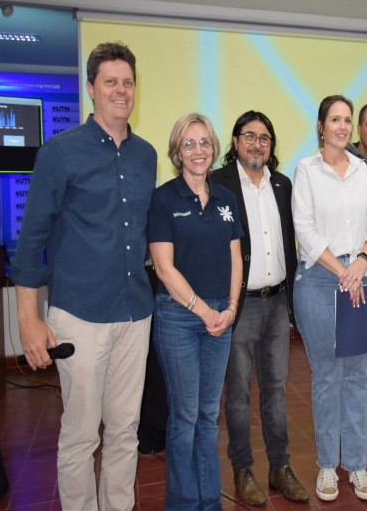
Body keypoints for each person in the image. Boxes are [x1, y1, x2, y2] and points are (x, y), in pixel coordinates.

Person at [12, 42, 157, 510]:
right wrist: (28, 319)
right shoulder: (60, 153)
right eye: (110, 82)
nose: (121, 90)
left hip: (136, 314)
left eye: (128, 82)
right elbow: (31, 239)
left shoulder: (146, 155)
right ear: (91, 88)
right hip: (79, 315)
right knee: (79, 436)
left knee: (125, 431)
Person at [292, 94, 367, 502]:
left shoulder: (362, 169)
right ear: (321, 126)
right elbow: (305, 230)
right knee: (327, 375)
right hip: (320, 280)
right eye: (336, 119)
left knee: (357, 376)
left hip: (364, 277)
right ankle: (328, 465)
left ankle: (357, 465)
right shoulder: (306, 170)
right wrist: (343, 271)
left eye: (348, 120)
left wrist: (362, 261)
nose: (343, 127)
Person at [212, 111, 309, 506]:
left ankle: (280, 467)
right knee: (237, 395)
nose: (257, 144)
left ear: (272, 146)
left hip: (278, 303)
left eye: (264, 138)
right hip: (240, 306)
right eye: (249, 136)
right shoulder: (218, 184)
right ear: (235, 142)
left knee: (276, 391)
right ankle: (242, 469)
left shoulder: (283, 185)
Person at [148, 113, 243, 509]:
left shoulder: (226, 198)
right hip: (179, 317)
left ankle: (209, 502)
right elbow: (164, 268)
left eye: (204, 142)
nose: (198, 150)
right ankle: (184, 504)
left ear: (214, 148)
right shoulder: (163, 199)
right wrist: (205, 312)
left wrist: (232, 308)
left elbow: (236, 258)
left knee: (208, 416)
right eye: (189, 143)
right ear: (177, 151)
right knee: (185, 417)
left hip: (221, 318)